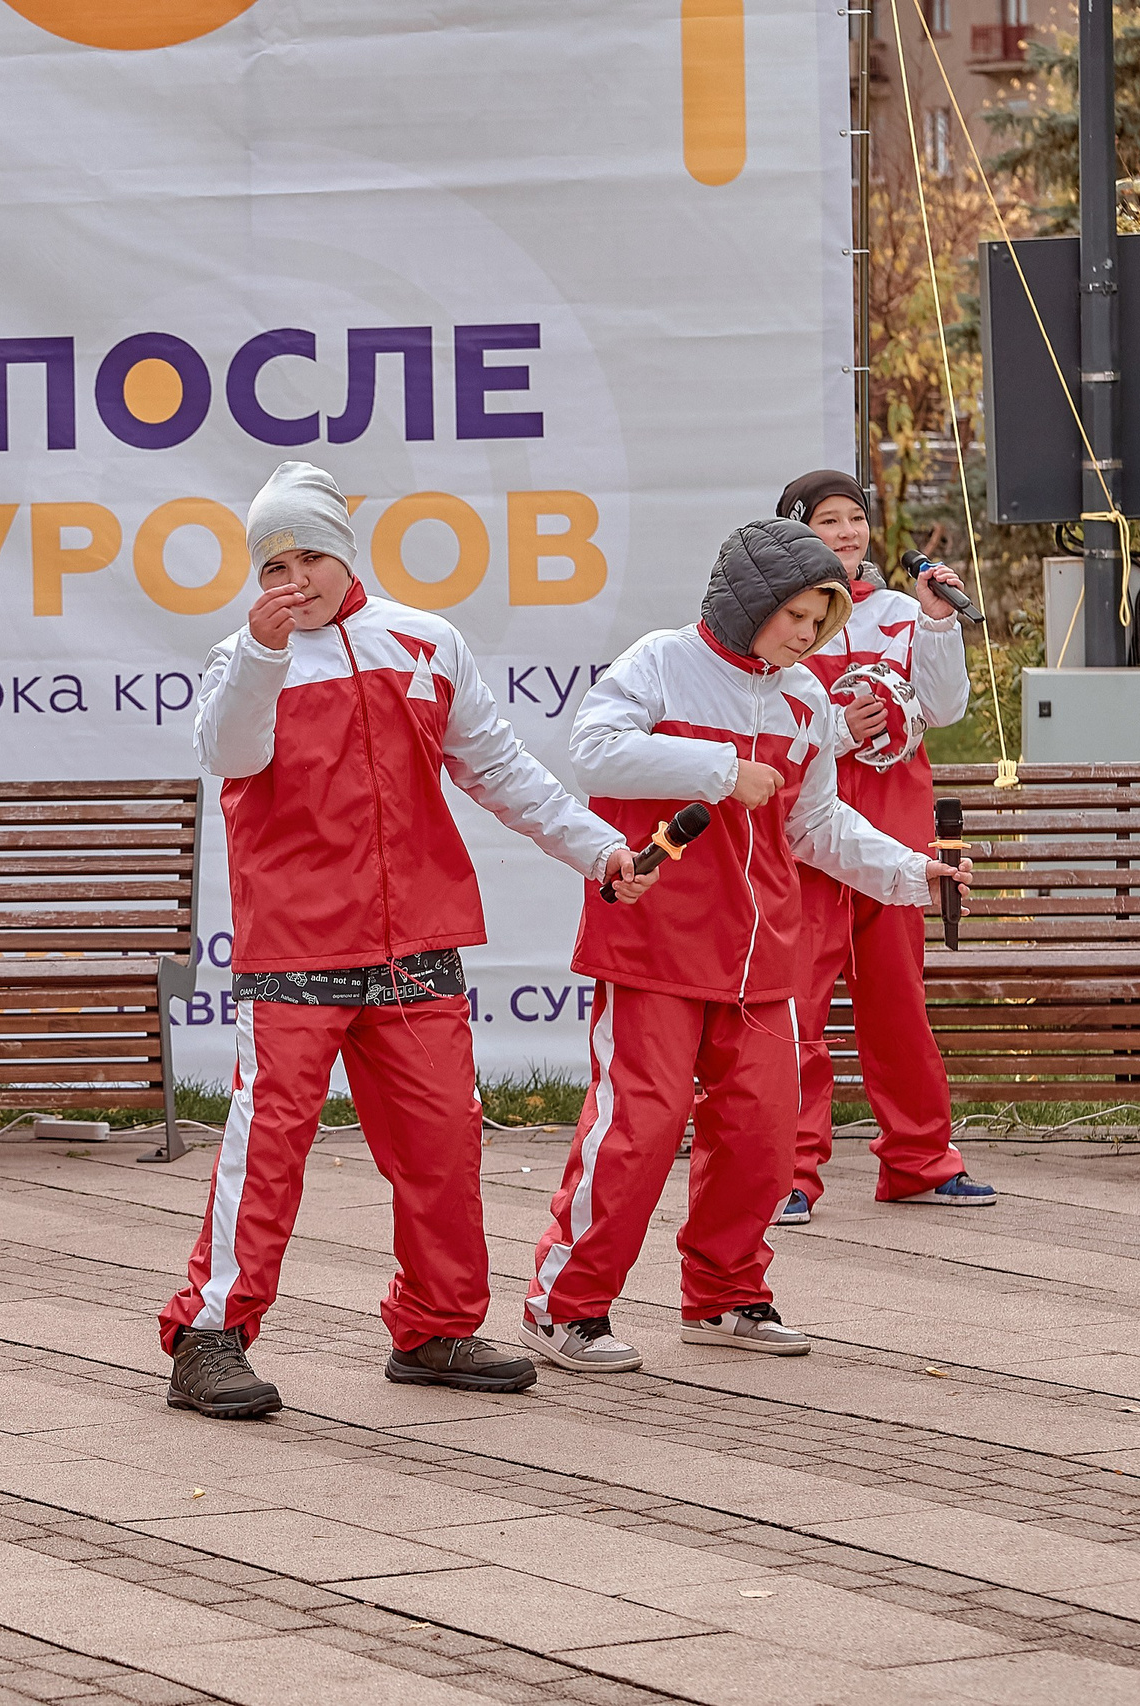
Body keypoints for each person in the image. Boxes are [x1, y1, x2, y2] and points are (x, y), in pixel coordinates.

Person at [159, 461, 657, 1420]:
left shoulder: (427, 643)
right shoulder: (242, 660)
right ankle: (210, 1333)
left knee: (442, 1143)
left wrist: (599, 850)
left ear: (347, 557)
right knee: (266, 1151)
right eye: (273, 563)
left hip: (415, 946)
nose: (290, 578)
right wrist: (261, 656)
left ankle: (435, 1326)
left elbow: (501, 768)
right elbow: (228, 754)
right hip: (296, 951)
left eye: (308, 556)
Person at [522, 519, 967, 1375]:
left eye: (819, 618)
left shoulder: (805, 700)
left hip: (765, 957)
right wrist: (722, 772)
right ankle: (564, 1308)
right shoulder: (659, 661)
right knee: (635, 1132)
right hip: (654, 942)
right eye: (794, 614)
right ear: (749, 601)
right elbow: (594, 755)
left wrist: (917, 872)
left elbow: (816, 825)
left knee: (764, 1135)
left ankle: (725, 1295)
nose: (806, 634)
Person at [777, 469, 996, 1224]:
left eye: (856, 519)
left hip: (896, 825)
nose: (846, 532)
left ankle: (919, 1160)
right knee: (795, 1007)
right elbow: (771, 722)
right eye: (828, 520)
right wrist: (842, 727)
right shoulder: (781, 615)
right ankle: (787, 1171)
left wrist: (939, 622)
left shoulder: (904, 610)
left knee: (898, 1000)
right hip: (807, 828)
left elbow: (943, 708)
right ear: (797, 529)